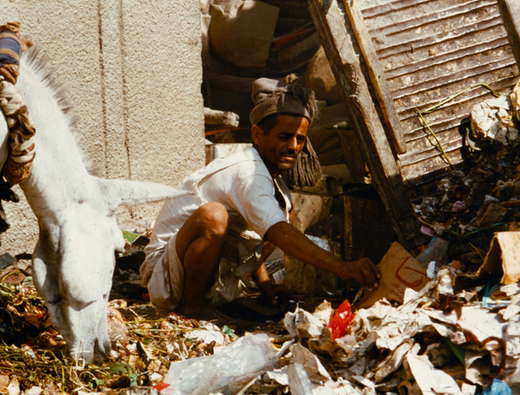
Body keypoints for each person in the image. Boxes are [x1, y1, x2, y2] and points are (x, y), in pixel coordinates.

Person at [139, 78, 380, 316]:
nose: (294, 147)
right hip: (165, 280)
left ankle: (206, 302)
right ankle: (192, 307)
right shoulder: (247, 172)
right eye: (284, 137)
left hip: (215, 282)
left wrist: (265, 285)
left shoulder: (274, 179)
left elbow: (264, 231)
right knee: (215, 215)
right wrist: (342, 267)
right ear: (257, 134)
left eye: (300, 139)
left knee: (283, 211)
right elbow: (277, 232)